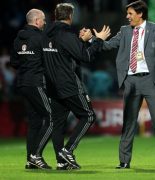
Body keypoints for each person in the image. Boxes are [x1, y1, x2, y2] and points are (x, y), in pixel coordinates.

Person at [102, 0, 155, 169]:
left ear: (140, 14)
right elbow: (108, 45)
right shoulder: (124, 31)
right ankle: (124, 161)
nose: (127, 17)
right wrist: (95, 39)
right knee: (129, 121)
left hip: (150, 80)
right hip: (131, 81)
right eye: (127, 13)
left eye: (130, 13)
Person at [42, 3, 110, 170]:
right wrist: (98, 40)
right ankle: (68, 150)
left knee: (58, 124)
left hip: (52, 86)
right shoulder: (66, 35)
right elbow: (85, 57)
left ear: (55, 15)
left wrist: (80, 41)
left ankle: (61, 161)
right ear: (71, 16)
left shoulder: (46, 35)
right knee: (89, 116)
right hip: (69, 85)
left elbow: (65, 54)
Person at [10, 9, 52, 169]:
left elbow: (14, 62)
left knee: (34, 122)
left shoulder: (17, 39)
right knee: (51, 118)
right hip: (36, 82)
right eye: (43, 20)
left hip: (22, 83)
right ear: (36, 21)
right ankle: (36, 155)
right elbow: (48, 61)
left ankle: (30, 160)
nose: (45, 22)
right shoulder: (41, 38)